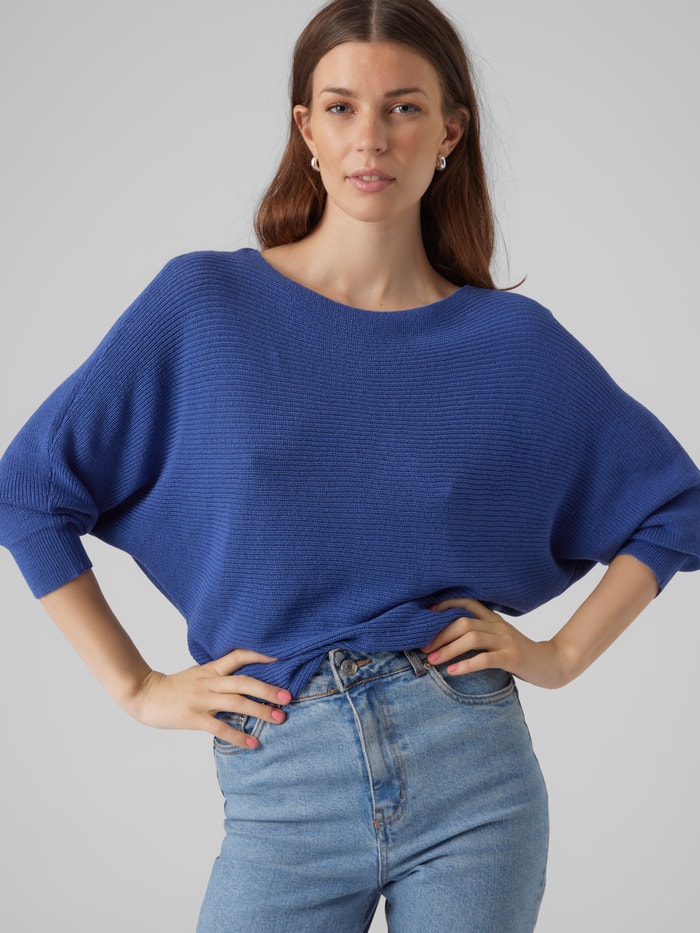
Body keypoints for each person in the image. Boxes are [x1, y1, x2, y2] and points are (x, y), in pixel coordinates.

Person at [1, 0, 699, 930]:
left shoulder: (512, 344)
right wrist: (136, 686)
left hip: (474, 776)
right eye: (341, 107)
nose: (371, 137)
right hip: (283, 777)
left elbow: (674, 504)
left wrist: (563, 655)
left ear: (450, 132)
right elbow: (30, 489)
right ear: (307, 130)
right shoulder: (204, 305)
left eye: (404, 107)